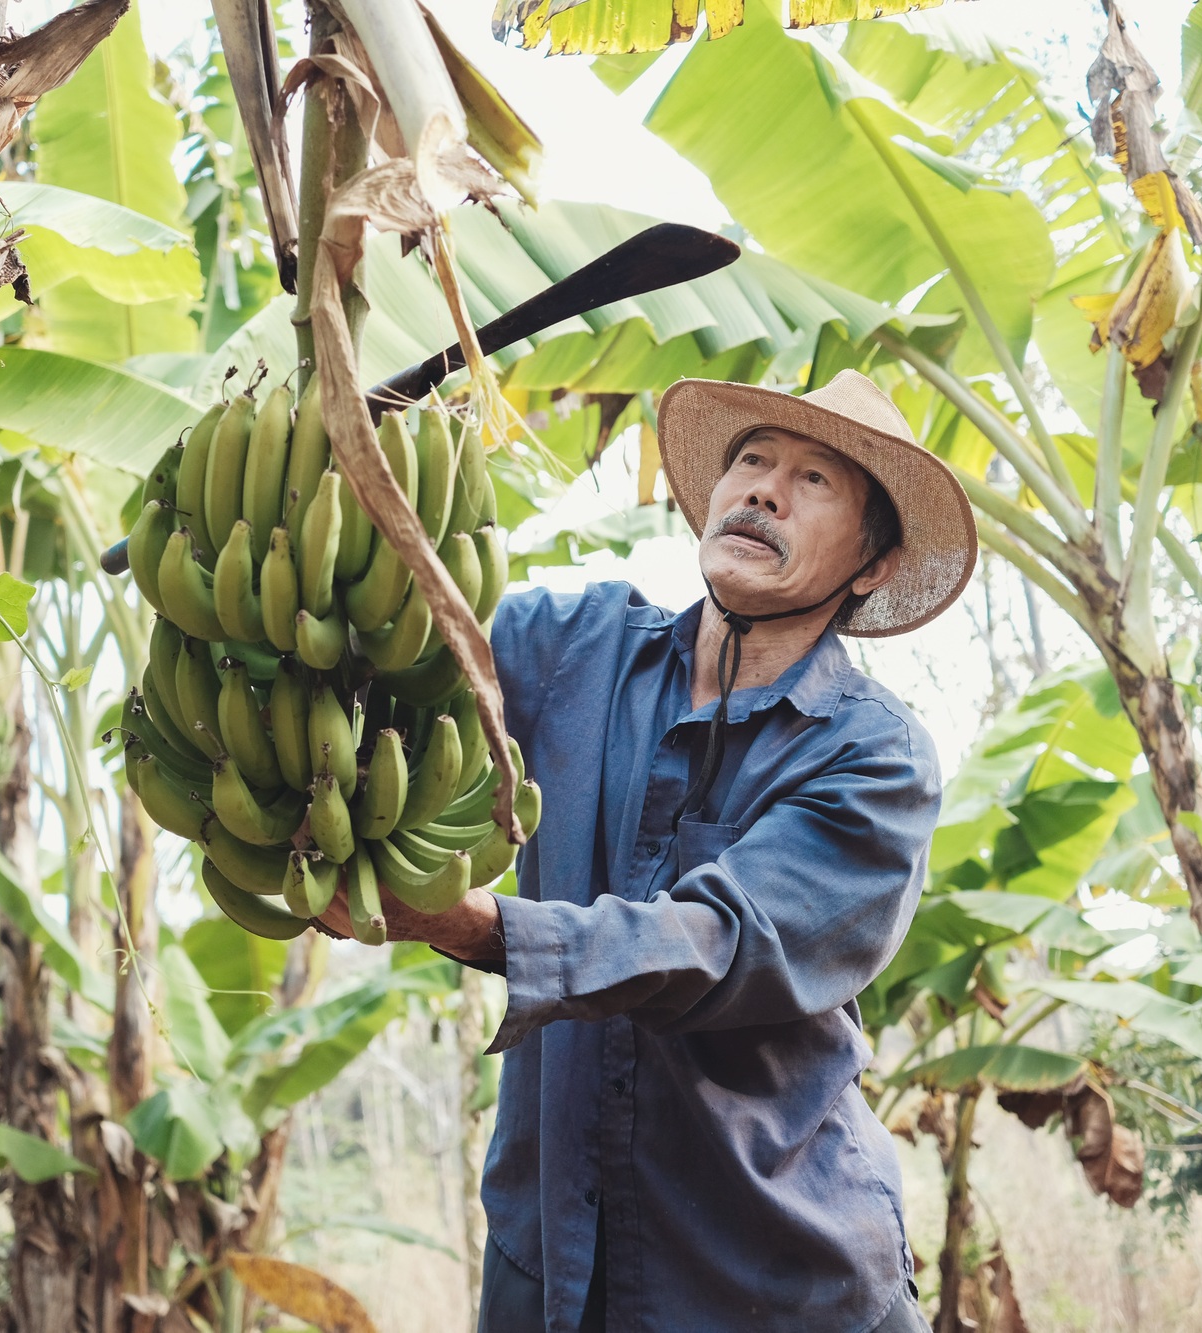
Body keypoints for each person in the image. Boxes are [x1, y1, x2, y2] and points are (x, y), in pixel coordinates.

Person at [318, 370, 977, 1332]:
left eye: (814, 481)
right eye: (751, 461)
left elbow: (719, 942)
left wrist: (480, 929)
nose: (763, 489)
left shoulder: (873, 756)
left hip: (772, 1273)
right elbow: (409, 620)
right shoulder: (574, 647)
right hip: (550, 1258)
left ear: (870, 566)